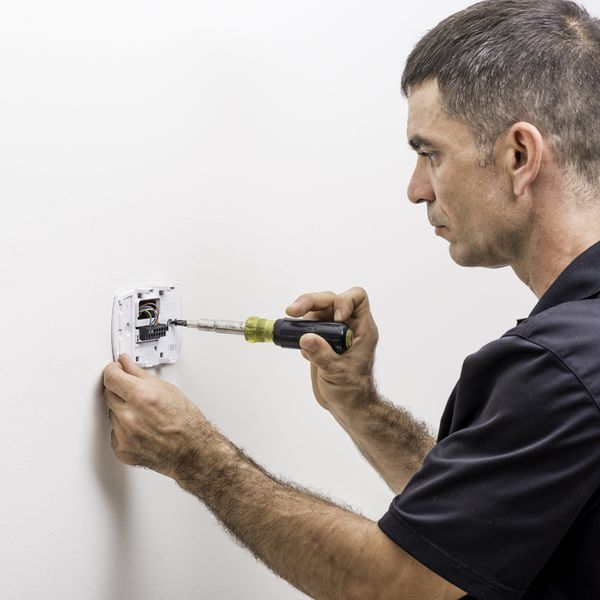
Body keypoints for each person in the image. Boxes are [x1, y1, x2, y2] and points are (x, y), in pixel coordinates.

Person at [103, 0, 600, 597]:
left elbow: (398, 588)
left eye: (429, 152)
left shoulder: (562, 365)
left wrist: (193, 456)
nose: (416, 189)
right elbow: (477, 530)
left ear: (519, 156)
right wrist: (358, 405)